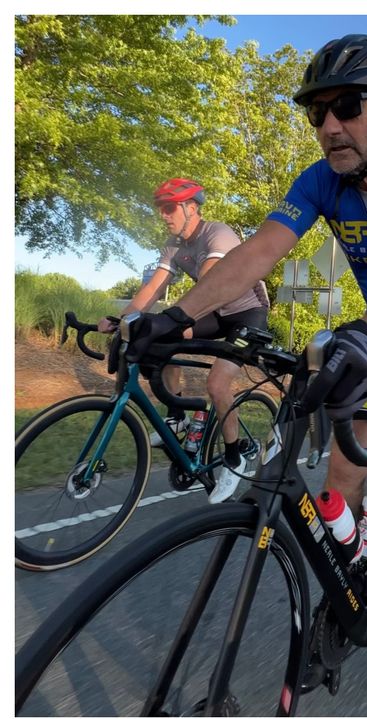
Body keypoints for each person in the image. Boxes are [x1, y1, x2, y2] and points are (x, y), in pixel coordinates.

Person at [125, 34, 367, 595]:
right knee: (338, 485)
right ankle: (352, 592)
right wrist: (174, 317)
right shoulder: (319, 181)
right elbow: (257, 253)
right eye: (318, 112)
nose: (329, 127)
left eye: (345, 107)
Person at [99, 178, 270, 503]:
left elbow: (206, 284)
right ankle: (177, 417)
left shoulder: (216, 234)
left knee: (218, 385)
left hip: (247, 313)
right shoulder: (174, 245)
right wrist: (125, 320)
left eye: (169, 208)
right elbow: (152, 289)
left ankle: (237, 454)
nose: (163, 215)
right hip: (214, 313)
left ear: (192, 208)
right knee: (160, 341)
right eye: (160, 209)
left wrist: (163, 320)